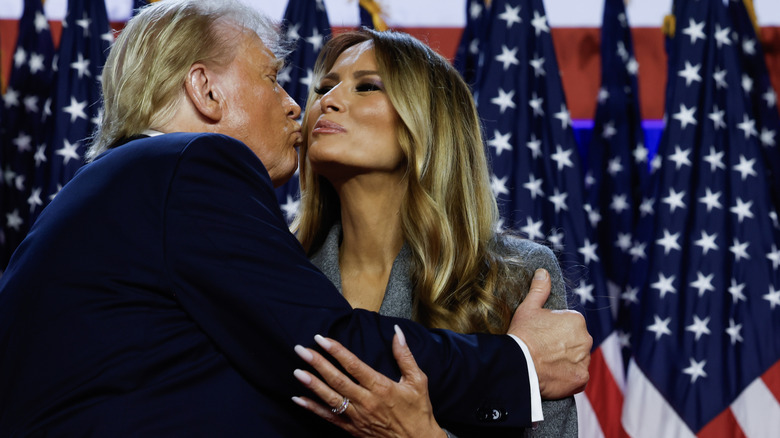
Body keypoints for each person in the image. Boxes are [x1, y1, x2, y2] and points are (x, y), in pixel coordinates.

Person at [0, 1, 591, 436]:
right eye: (276, 79)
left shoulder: (512, 276)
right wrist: (518, 364)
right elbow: (333, 344)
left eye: (366, 87)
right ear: (205, 91)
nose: (304, 103)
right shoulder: (192, 167)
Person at [288, 29, 578, 437]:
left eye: (367, 86)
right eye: (324, 87)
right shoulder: (279, 269)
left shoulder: (515, 276)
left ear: (428, 122)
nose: (327, 101)